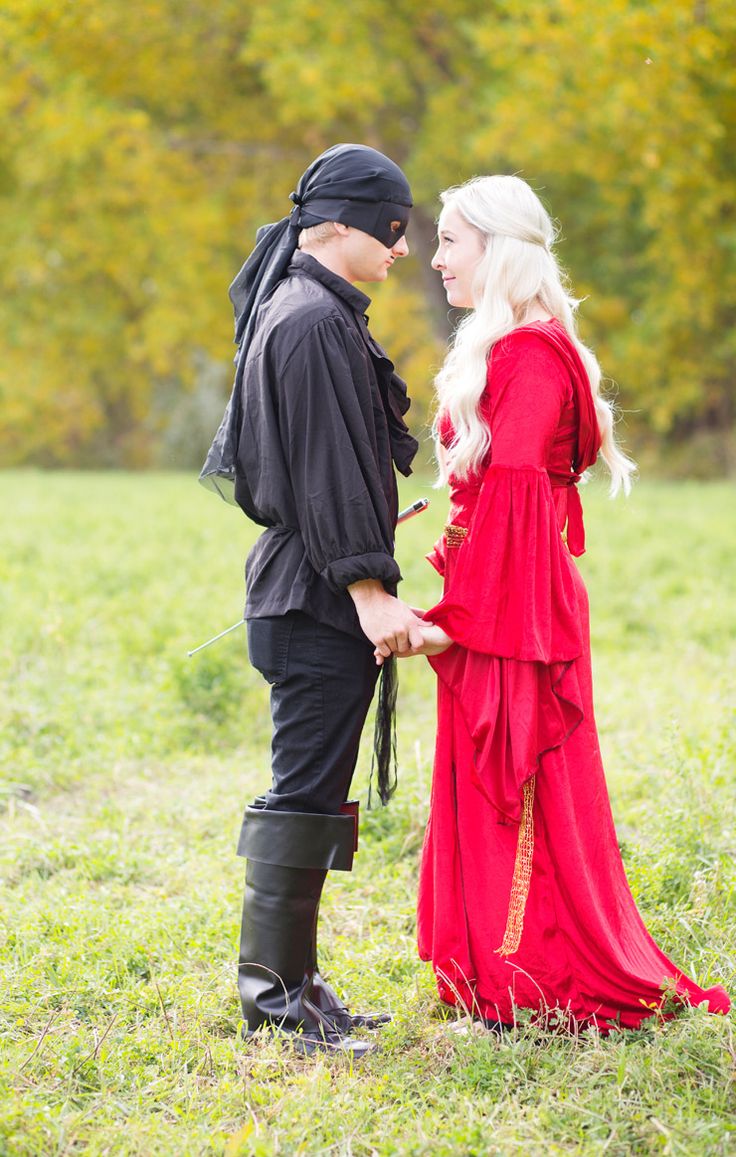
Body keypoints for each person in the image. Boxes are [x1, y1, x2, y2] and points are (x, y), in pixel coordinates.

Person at [399, 175, 731, 1032]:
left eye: (450, 242)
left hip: (515, 606)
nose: (435, 260)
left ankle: (532, 971)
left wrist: (452, 622)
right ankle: (500, 965)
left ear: (499, 250)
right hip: (509, 590)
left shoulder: (529, 355)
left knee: (516, 782)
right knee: (493, 782)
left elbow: (514, 489)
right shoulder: (523, 348)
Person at [199, 144, 425, 1056]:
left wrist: (371, 526)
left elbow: (323, 470)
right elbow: (327, 471)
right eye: (393, 229)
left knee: (315, 794)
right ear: (339, 221)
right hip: (315, 600)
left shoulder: (310, 308)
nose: (403, 248)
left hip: (308, 586)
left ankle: (298, 985)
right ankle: (273, 1001)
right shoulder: (310, 320)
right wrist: (369, 587)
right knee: (301, 796)